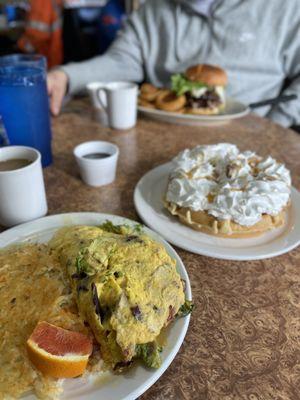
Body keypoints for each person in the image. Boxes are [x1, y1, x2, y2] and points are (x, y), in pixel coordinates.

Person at [48, 0, 300, 128]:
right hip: (160, 130)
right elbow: (122, 61)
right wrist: (66, 76)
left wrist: (275, 124)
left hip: (249, 132)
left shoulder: (285, 8)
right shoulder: (151, 9)